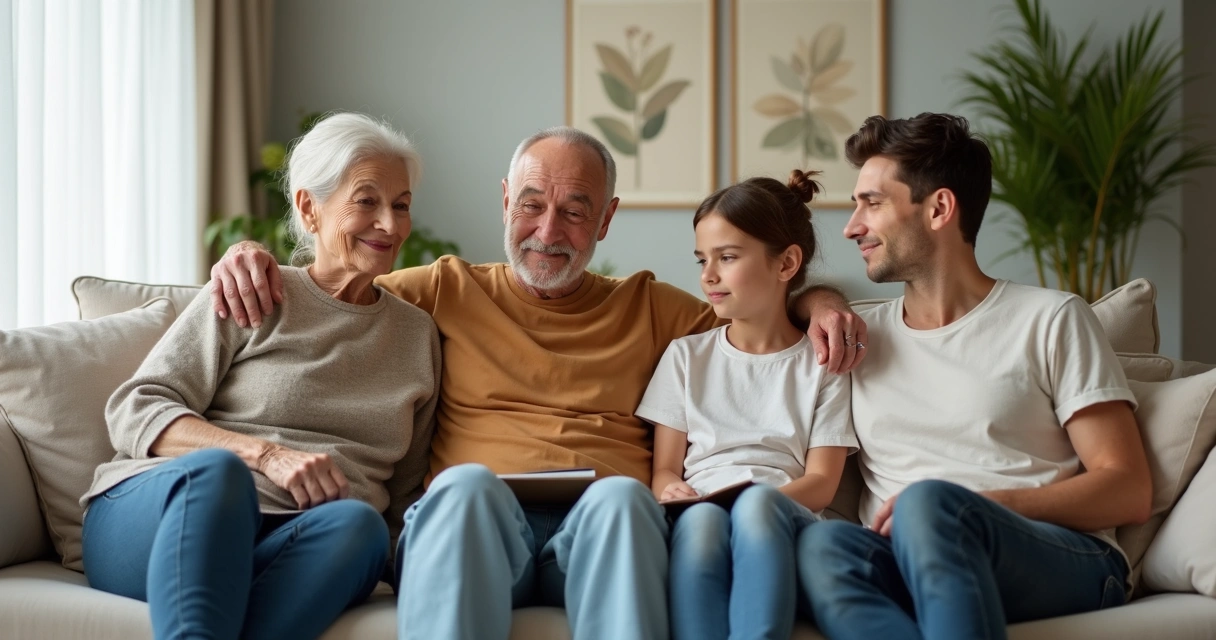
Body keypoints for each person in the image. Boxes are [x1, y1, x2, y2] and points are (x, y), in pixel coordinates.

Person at [210, 126, 868, 640]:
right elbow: (334, 282)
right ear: (505, 201)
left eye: (575, 213)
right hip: (474, 526)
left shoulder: (654, 308)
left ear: (606, 221)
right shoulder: (441, 290)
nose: (548, 232)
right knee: (465, 486)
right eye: (531, 205)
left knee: (623, 501)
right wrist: (248, 256)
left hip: (599, 532)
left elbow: (759, 311)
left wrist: (826, 303)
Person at [80, 112, 441, 640]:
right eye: (367, 201)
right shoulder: (255, 289)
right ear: (308, 208)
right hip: (167, 518)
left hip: (295, 540)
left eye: (402, 205)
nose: (390, 224)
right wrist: (265, 455)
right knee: (219, 472)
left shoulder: (416, 335)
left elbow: (404, 495)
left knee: (360, 524)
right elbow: (134, 406)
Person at [796, 113, 1153, 640]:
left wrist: (977, 504)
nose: (851, 226)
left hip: (1054, 553)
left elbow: (1128, 488)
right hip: (905, 555)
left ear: (939, 208)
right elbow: (773, 307)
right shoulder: (857, 334)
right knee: (820, 545)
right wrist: (820, 303)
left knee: (929, 501)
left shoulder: (1051, 318)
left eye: (872, 203)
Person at [638, 169, 858, 640]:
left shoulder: (823, 365)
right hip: (701, 512)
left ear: (786, 264)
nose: (708, 275)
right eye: (702, 259)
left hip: (783, 516)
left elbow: (820, 484)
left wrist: (757, 505)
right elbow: (664, 470)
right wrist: (669, 489)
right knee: (700, 529)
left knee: (755, 513)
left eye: (728, 257)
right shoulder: (685, 357)